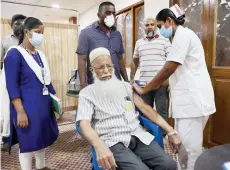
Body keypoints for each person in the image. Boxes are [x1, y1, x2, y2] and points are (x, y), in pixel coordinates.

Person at [133, 4, 216, 170]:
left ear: (169, 21)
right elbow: (171, 76)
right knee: (187, 146)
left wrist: (145, 89)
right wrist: (145, 85)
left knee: (189, 149)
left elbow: (167, 70)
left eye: (159, 26)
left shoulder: (182, 36)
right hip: (193, 101)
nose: (158, 29)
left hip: (192, 103)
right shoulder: (183, 36)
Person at [77, 47, 181, 170]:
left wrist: (170, 131)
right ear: (92, 69)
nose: (106, 71)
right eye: (100, 67)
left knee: (169, 165)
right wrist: (98, 145)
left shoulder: (126, 87)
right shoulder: (87, 94)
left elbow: (146, 109)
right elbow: (84, 125)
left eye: (109, 66)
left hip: (137, 135)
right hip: (112, 141)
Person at [3, 17, 59, 170]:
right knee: (27, 142)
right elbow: (12, 86)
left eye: (42, 32)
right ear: (26, 32)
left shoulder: (40, 54)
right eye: (37, 32)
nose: (40, 36)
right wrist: (20, 111)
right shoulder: (14, 54)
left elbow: (46, 79)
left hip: (42, 104)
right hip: (25, 107)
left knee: (41, 138)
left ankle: (41, 167)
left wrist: (54, 102)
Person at [76, 1, 128, 89]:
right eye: (108, 13)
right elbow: (82, 60)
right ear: (99, 15)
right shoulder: (86, 33)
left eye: (113, 13)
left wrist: (127, 82)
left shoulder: (117, 34)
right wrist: (83, 86)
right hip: (96, 85)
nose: (111, 16)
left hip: (116, 84)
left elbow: (120, 59)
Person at [130, 17, 171, 124]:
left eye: (152, 24)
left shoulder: (165, 41)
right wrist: (131, 79)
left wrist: (169, 81)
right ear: (144, 28)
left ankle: (163, 137)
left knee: (162, 111)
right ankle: (148, 136)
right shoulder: (139, 43)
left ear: (156, 26)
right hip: (144, 85)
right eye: (147, 25)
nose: (150, 27)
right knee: (145, 111)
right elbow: (135, 62)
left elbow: (171, 63)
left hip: (161, 85)